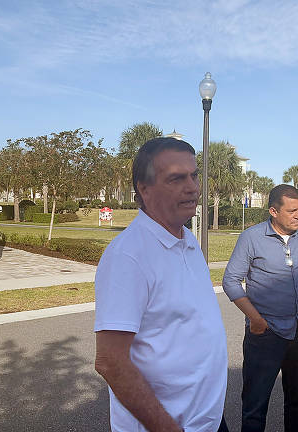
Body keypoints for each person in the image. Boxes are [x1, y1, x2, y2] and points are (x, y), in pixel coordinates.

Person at [94, 137, 229, 432]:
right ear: (144, 189)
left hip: (206, 419)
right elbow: (110, 362)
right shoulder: (128, 256)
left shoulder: (188, 240)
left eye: (194, 175)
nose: (193, 186)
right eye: (177, 178)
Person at [222, 184, 298, 432]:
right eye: (292, 211)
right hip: (265, 334)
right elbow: (230, 280)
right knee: (255, 405)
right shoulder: (251, 238)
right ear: (273, 211)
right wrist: (256, 320)